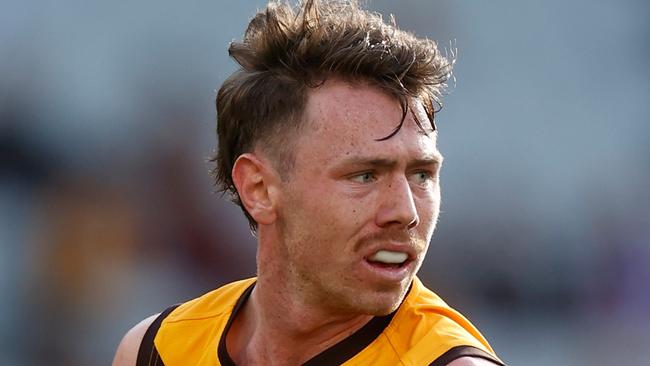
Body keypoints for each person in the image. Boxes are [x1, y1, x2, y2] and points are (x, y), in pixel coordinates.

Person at [113, 0, 505, 365]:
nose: (405, 212)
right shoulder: (157, 350)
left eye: (421, 174)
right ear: (259, 189)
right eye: (365, 175)